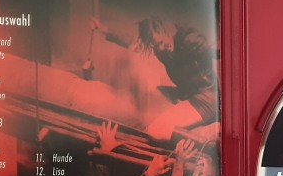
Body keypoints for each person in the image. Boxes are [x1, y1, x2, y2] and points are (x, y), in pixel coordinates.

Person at [90, 17, 219, 140]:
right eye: (156, 46)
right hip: (185, 93)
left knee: (155, 130)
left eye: (161, 42)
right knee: (151, 93)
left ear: (166, 32)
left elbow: (217, 49)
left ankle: (192, 140)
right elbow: (132, 42)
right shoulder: (160, 50)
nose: (161, 48)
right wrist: (103, 29)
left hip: (206, 97)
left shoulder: (188, 40)